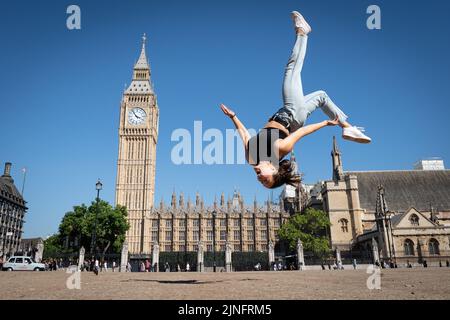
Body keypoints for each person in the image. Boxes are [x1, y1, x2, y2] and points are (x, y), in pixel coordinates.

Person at [220, 11, 371, 189]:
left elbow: (245, 135)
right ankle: (302, 32)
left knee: (322, 96)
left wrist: (233, 116)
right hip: (292, 115)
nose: (260, 180)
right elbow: (302, 132)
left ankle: (348, 127)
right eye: (266, 181)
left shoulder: (251, 158)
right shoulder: (280, 150)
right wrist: (325, 123)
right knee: (291, 69)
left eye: (261, 183)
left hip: (289, 114)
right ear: (274, 171)